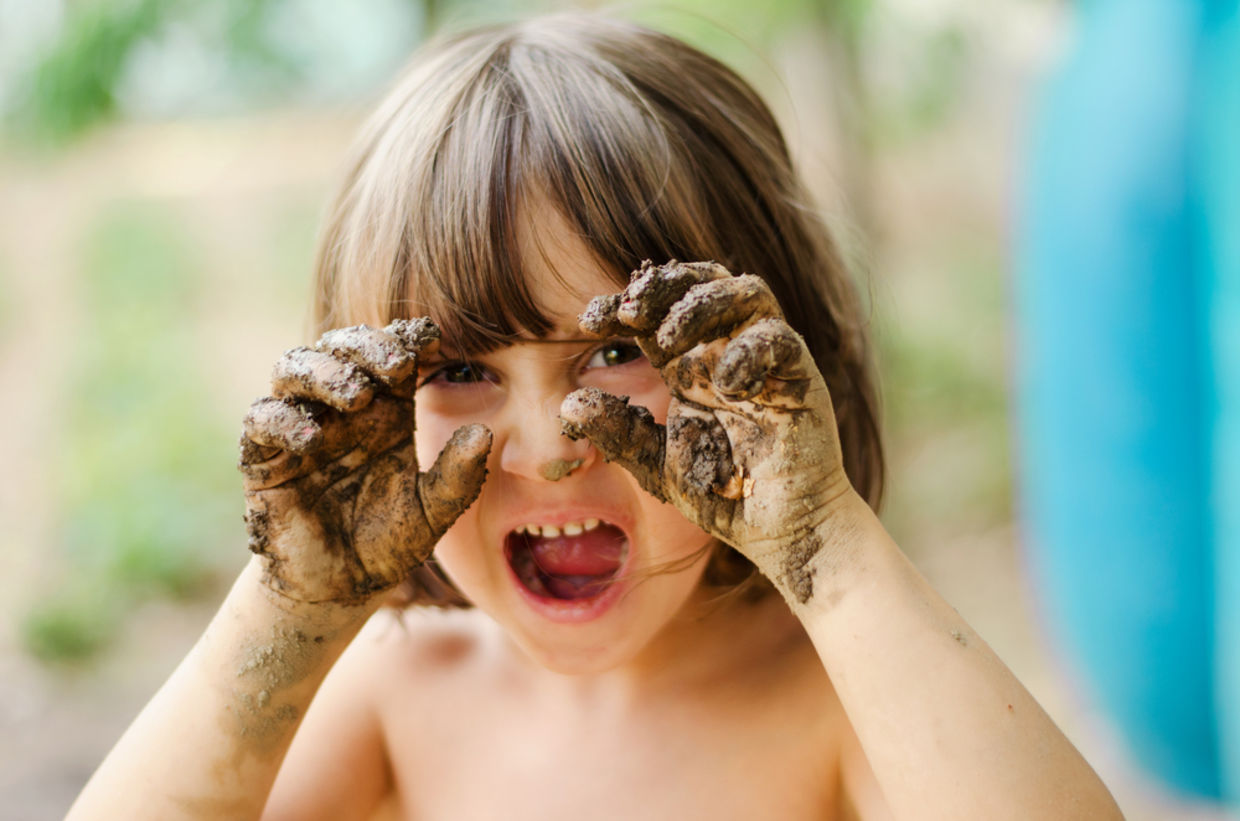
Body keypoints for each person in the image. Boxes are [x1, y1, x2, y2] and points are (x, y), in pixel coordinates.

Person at [67, 14, 1123, 820]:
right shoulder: (397, 692)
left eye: (618, 353)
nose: (551, 447)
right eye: (461, 371)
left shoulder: (843, 699)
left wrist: (829, 553)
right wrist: (287, 612)